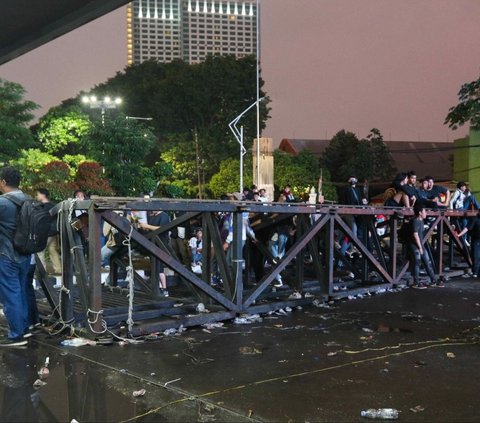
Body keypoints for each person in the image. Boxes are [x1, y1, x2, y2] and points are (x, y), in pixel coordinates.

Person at [0, 166, 30, 346]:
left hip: (7, 254)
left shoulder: (3, 203)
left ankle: (16, 335)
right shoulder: (29, 199)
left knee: (11, 295)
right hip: (25, 254)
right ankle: (24, 328)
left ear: (3, 182)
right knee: (21, 291)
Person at [409, 205, 442, 289]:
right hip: (415, 245)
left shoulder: (421, 221)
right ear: (420, 213)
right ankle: (416, 283)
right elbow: (415, 234)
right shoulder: (415, 221)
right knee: (417, 263)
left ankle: (433, 280)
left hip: (420, 245)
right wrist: (420, 247)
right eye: (424, 211)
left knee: (428, 262)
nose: (426, 213)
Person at [140, 210, 170, 297]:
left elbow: (162, 228)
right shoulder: (152, 216)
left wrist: (147, 226)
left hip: (161, 244)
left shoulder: (164, 215)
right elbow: (149, 228)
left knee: (159, 267)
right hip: (152, 244)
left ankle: (164, 289)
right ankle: (159, 287)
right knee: (154, 266)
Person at [35, 188, 61, 274]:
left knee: (40, 251)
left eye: (38, 194)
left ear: (43, 195)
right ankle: (58, 269)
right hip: (54, 232)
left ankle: (42, 271)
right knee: (52, 250)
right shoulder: (53, 206)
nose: (37, 196)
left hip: (46, 232)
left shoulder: (43, 207)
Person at [457, 211, 480, 278]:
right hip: (476, 240)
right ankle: (475, 272)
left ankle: (476, 272)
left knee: (476, 256)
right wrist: (459, 235)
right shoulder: (475, 219)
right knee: (476, 256)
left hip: (476, 240)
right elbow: (467, 228)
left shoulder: (474, 219)